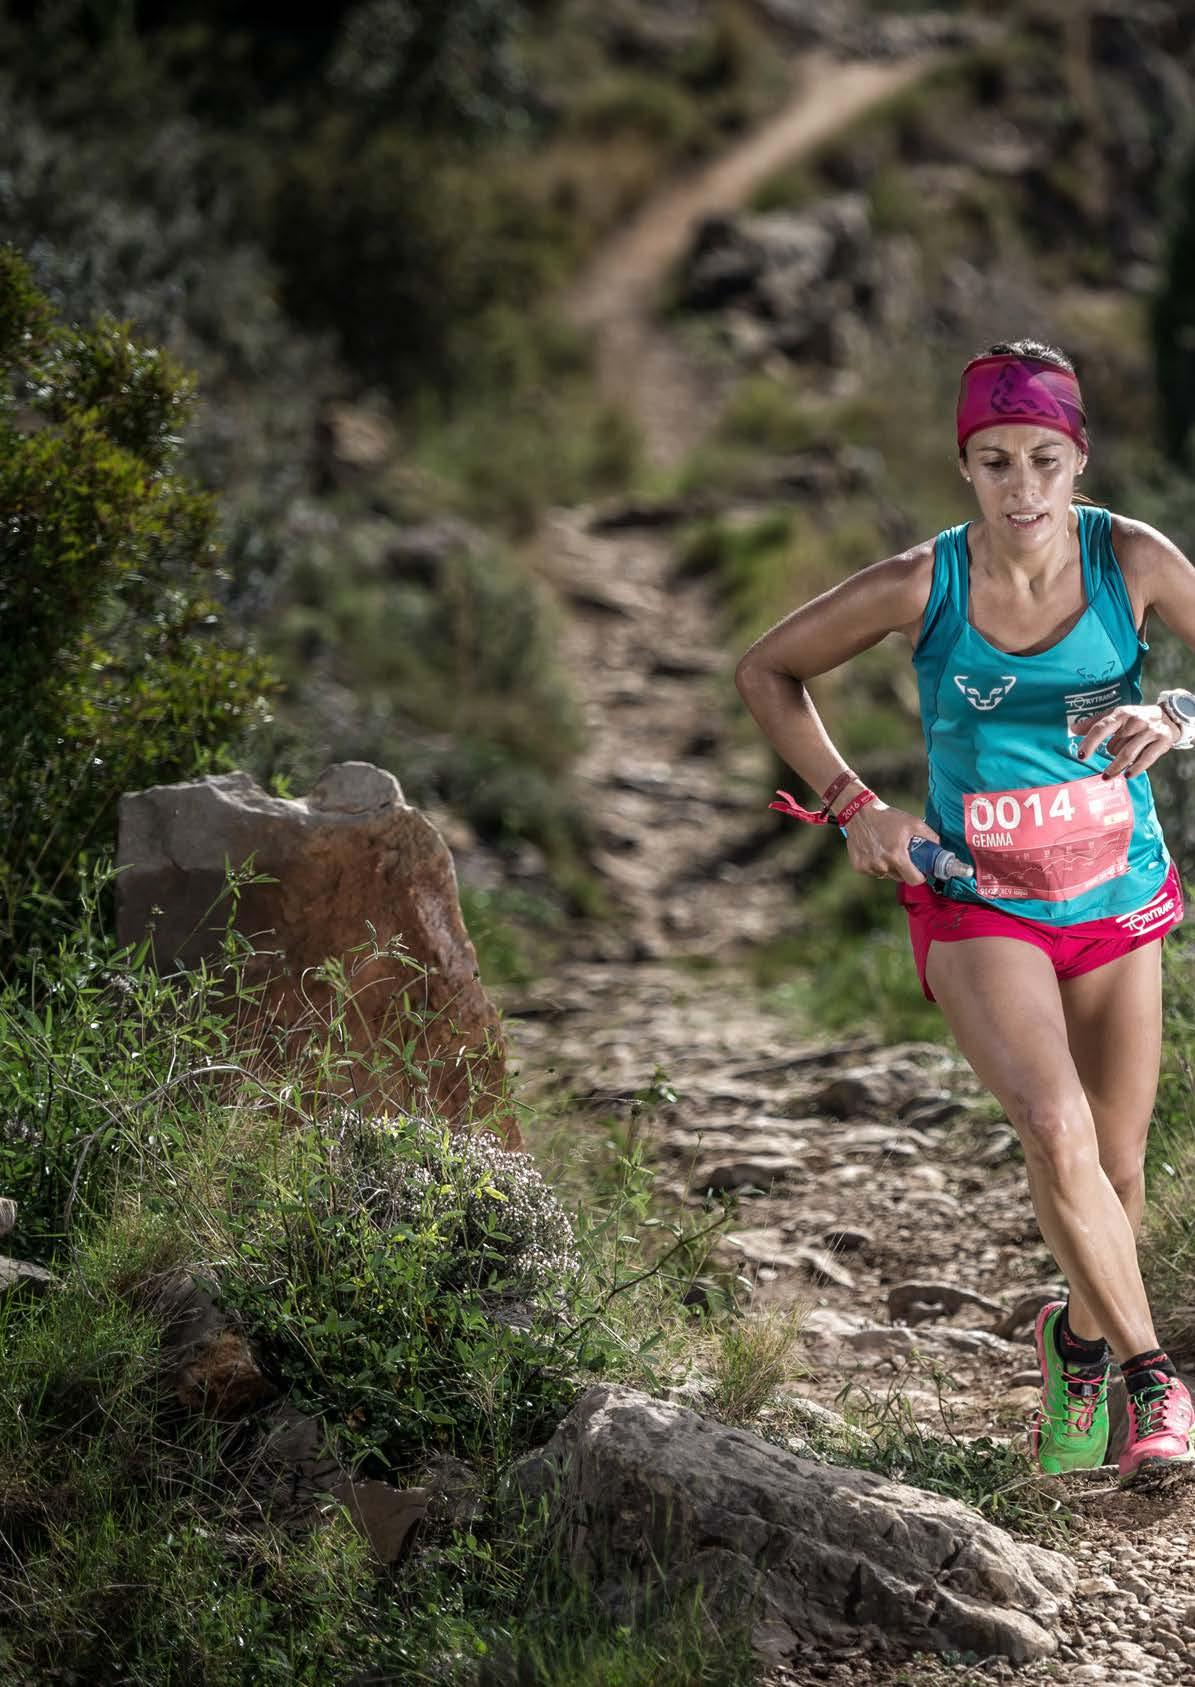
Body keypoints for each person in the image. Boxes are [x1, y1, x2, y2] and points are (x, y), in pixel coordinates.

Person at [734, 338, 1195, 1487]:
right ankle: (1155, 1382)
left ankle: (1073, 1346)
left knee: (1116, 1168)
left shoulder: (1131, 558)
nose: (1020, 486)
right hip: (977, 900)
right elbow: (767, 669)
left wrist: (1176, 715)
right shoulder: (920, 583)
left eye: (1042, 458)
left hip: (1116, 896)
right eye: (994, 461)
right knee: (1054, 1126)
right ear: (964, 468)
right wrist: (855, 805)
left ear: (1078, 459)